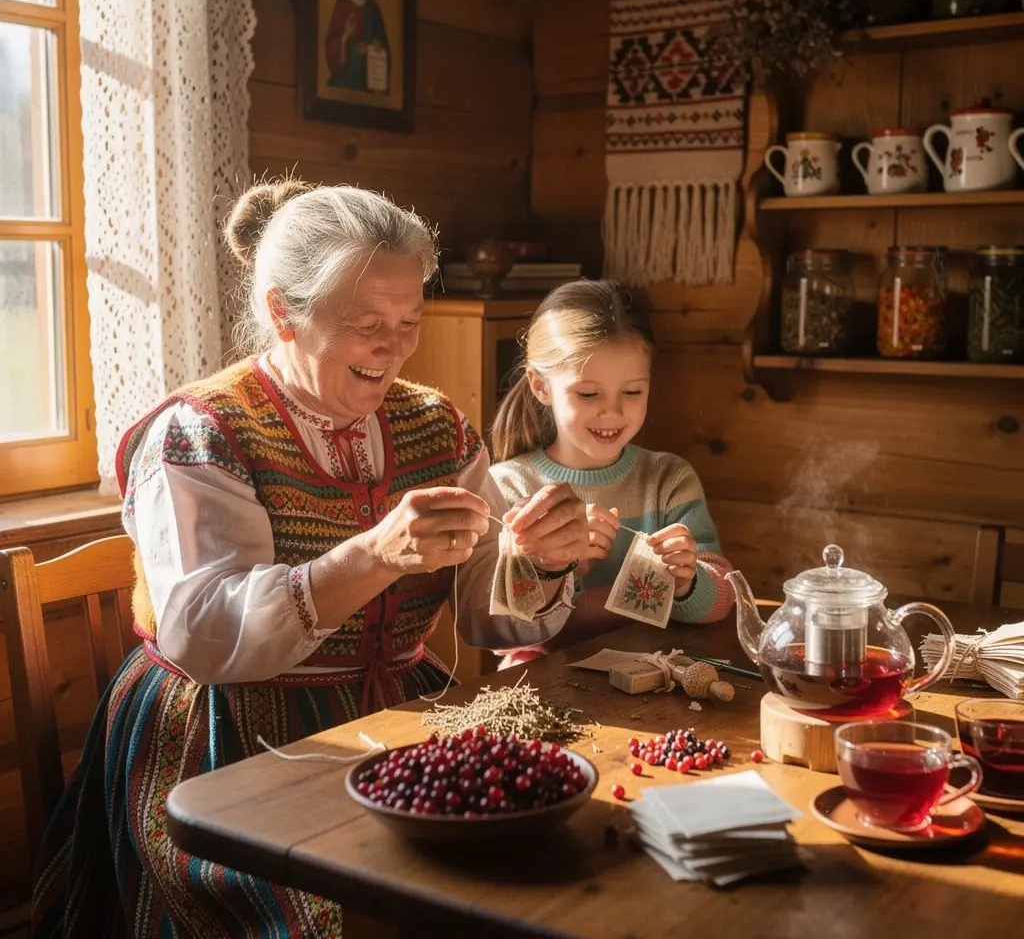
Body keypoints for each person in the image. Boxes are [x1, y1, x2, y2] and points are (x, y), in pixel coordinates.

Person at [31, 179, 588, 937]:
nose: (392, 347)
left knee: (523, 873)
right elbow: (203, 633)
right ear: (281, 312)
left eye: (409, 321)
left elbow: (480, 608)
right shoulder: (202, 433)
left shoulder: (437, 427)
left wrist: (537, 564)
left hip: (395, 714)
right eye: (366, 325)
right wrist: (374, 553)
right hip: (226, 743)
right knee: (346, 914)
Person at [488, 279, 736, 666]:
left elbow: (721, 598)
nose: (613, 412)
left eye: (632, 392)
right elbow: (501, 629)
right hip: (544, 683)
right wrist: (563, 566)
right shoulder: (511, 488)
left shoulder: (668, 480)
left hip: (655, 674)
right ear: (540, 386)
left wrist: (688, 582)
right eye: (588, 394)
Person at [325, 0, 389, 92]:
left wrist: (375, 47)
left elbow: (383, 43)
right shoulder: (343, 3)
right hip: (346, 77)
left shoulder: (372, 8)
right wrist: (345, 37)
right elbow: (331, 42)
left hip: (368, 77)